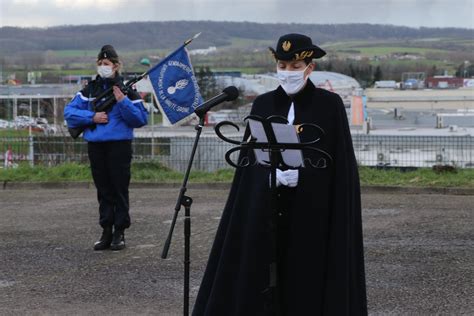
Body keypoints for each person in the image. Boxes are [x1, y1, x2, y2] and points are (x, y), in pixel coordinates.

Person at [193, 34, 367, 315]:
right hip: (269, 205)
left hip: (313, 210)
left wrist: (306, 178)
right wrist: (267, 177)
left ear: (310, 68)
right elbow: (249, 161)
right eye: (283, 67)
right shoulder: (263, 104)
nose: (287, 74)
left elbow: (339, 165)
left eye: (295, 67)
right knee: (262, 271)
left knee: (306, 272)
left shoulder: (329, 105)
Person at [64, 45, 148, 251]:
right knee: (103, 190)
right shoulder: (89, 90)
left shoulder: (127, 91)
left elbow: (140, 119)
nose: (103, 67)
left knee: (119, 189)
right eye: (100, 64)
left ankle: (120, 232)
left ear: (116, 66)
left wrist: (122, 102)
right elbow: (69, 112)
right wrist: (91, 117)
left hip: (119, 146)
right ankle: (106, 230)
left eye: (107, 64)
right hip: (96, 146)